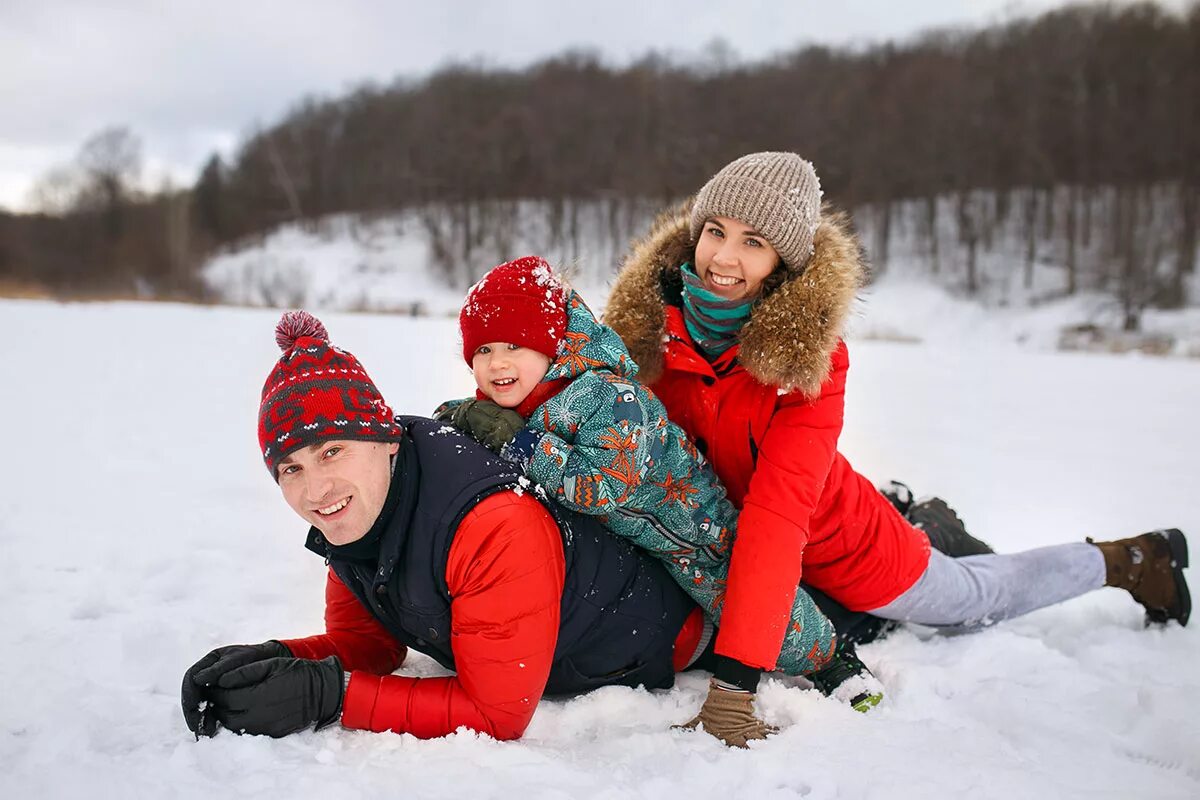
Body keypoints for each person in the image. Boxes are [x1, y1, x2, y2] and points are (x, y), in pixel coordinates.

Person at [602, 151, 1191, 739]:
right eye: (715, 231)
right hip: (735, 542)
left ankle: (1131, 560)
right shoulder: (648, 335)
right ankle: (926, 519)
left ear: (784, 261)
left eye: (754, 241)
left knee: (973, 599)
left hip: (843, 547)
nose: (724, 258)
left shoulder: (812, 364)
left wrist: (733, 688)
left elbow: (777, 518)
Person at [180, 311, 709, 742]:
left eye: (332, 451)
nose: (315, 491)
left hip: (676, 634)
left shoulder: (490, 523)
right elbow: (368, 645)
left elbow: (497, 714)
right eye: (290, 469)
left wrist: (329, 696)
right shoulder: (357, 514)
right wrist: (278, 660)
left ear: (387, 438)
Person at [435, 257, 884, 734]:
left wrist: (522, 445)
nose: (497, 362)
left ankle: (836, 660)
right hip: (636, 542)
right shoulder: (520, 395)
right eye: (482, 349)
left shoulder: (608, 396)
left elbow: (601, 488)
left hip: (692, 530)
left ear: (554, 347)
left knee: (751, 609)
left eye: (515, 346)